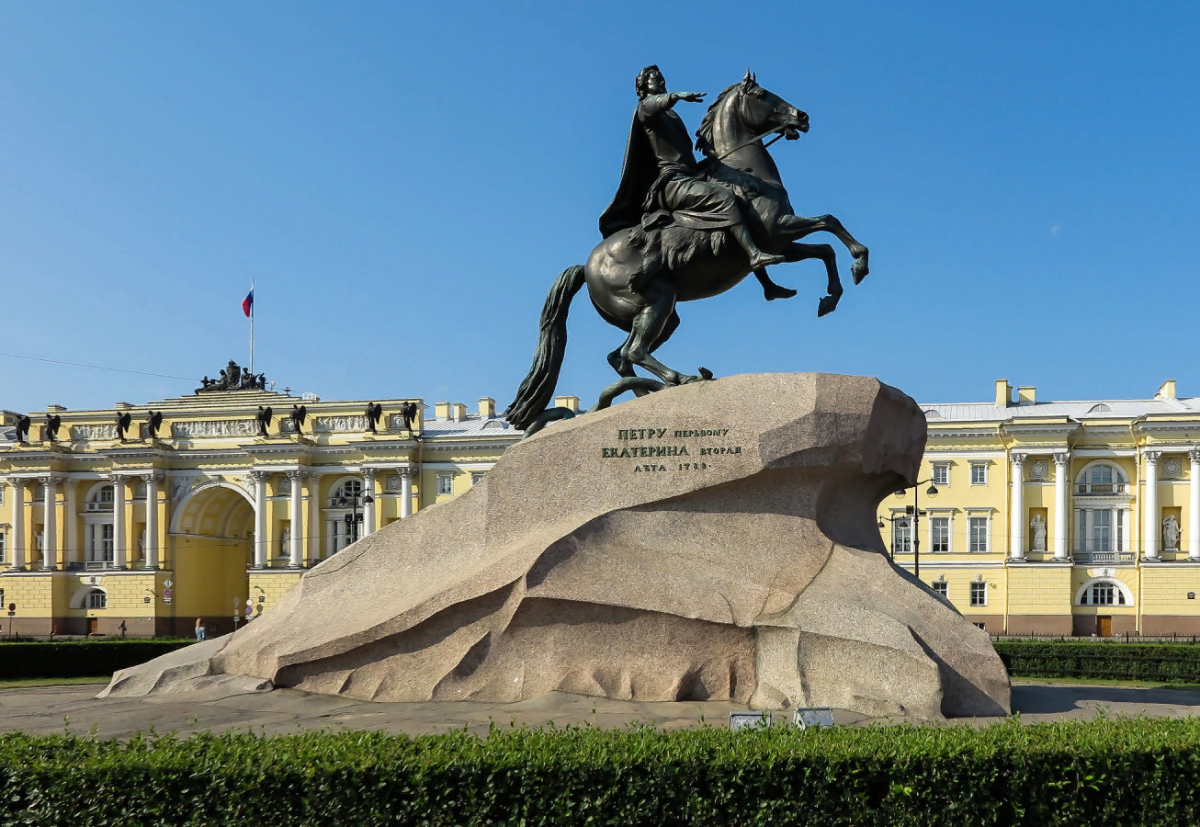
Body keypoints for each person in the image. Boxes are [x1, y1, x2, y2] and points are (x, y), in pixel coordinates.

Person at [599, 65, 786, 279]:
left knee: (742, 196)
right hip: (672, 183)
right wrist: (676, 95)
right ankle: (753, 255)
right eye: (655, 79)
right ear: (643, 86)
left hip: (689, 175)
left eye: (661, 77)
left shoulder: (670, 115)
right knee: (723, 198)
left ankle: (766, 283)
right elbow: (650, 105)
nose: (661, 81)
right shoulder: (647, 110)